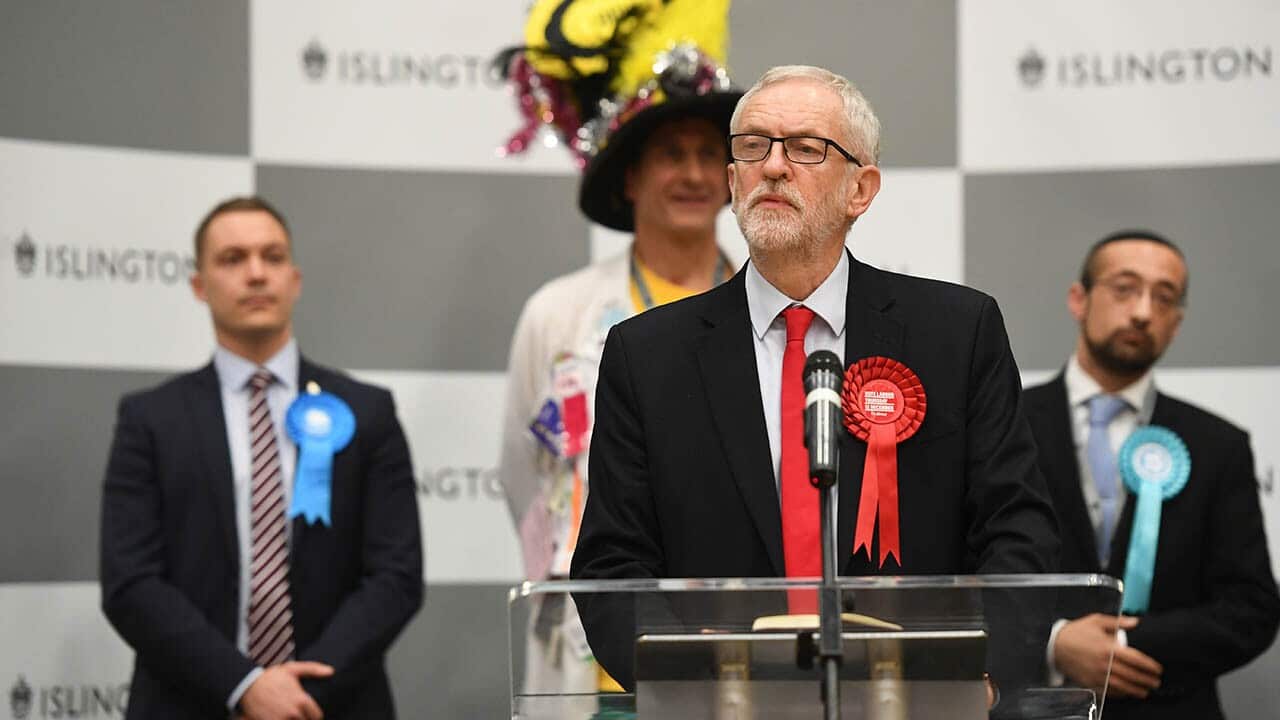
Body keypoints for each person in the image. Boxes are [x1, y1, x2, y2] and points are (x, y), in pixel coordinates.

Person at [571, 64, 1060, 688]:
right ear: (732, 178)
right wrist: (691, 676)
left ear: (861, 189)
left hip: (914, 700)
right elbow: (614, 564)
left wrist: (978, 672)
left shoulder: (957, 333)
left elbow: (1016, 529)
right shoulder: (647, 354)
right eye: (752, 147)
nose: (773, 167)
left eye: (806, 148)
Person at [99, 196, 424, 719]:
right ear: (199, 286)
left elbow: (396, 575)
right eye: (233, 259)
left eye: (272, 257)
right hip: (190, 702)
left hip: (331, 704)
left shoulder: (367, 412)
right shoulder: (150, 420)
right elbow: (131, 583)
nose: (255, 273)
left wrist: (299, 692)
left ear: (294, 279)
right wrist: (245, 685)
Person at [496, 0, 741, 694]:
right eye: (670, 154)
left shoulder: (768, 308)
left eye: (707, 155)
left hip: (739, 638)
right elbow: (523, 471)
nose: (693, 174)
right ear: (629, 177)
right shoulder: (558, 312)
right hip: (592, 650)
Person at [1024, 230, 1280, 719]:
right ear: (1079, 300)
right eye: (1124, 288)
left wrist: (1120, 644)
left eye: (1163, 298)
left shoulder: (1218, 445)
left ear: (1177, 324)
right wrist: (1053, 642)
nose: (1142, 311)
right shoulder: (1004, 423)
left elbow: (1251, 608)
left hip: (1168, 706)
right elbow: (965, 573)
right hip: (1032, 706)